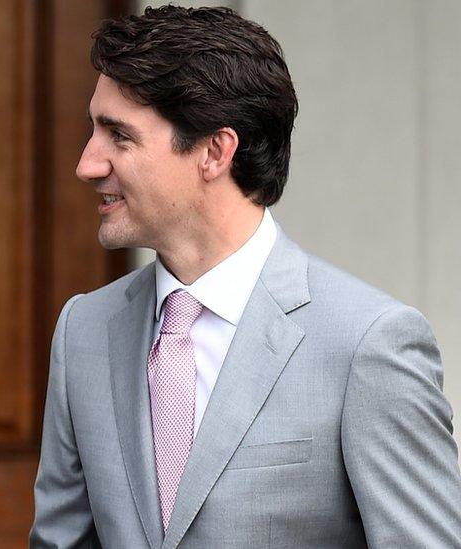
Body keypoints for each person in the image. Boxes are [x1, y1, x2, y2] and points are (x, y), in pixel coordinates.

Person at [30, 6, 461, 548]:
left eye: (119, 135)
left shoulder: (368, 345)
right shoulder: (83, 331)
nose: (87, 164)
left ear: (215, 151)